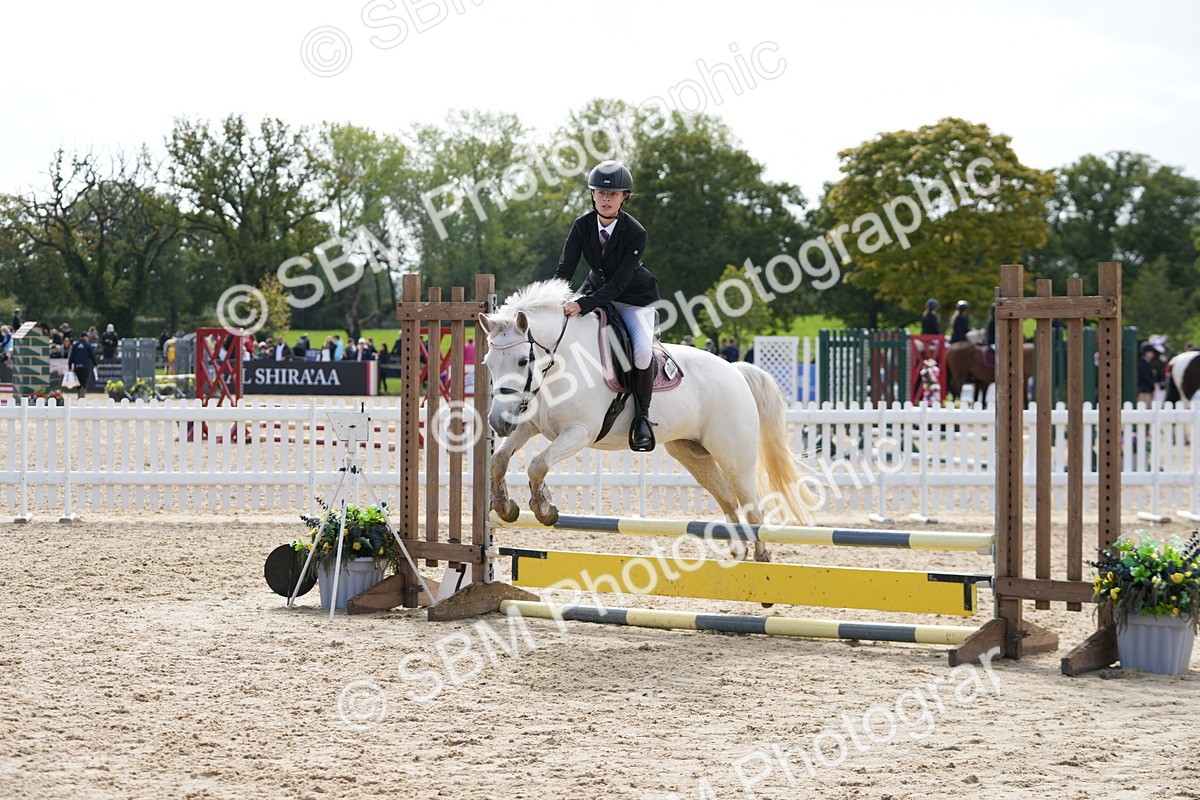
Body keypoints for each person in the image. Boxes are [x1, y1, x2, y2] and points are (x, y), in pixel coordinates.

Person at [553, 160, 661, 451]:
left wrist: (583, 304)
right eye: (600, 192)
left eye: (613, 194)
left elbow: (619, 285)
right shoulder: (582, 225)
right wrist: (554, 298)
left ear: (624, 197)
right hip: (594, 291)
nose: (605, 198)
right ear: (592, 194)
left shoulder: (635, 233)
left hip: (633, 300)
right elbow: (565, 269)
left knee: (640, 353)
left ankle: (642, 418)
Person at [67, 331, 98, 398]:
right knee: (84, 381)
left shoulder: (75, 345)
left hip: (77, 366)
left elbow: (72, 356)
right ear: (86, 337)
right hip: (85, 366)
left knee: (78, 381)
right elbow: (92, 355)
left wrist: (69, 366)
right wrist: (95, 364)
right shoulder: (88, 345)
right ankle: (82, 396)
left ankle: (79, 395)